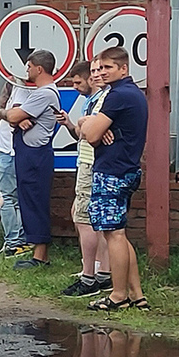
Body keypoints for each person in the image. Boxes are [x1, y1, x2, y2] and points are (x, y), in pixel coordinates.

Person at [80, 47, 150, 312]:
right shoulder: (133, 94)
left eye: (109, 67)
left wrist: (90, 123)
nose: (103, 72)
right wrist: (95, 125)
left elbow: (91, 135)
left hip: (112, 171)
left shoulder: (118, 95)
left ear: (124, 68)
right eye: (100, 67)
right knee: (119, 233)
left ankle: (118, 296)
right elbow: (95, 130)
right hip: (126, 169)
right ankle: (137, 294)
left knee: (114, 235)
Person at [56, 61, 112, 297]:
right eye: (97, 71)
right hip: (88, 160)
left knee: (86, 219)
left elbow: (91, 131)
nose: (98, 75)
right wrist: (74, 123)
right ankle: (100, 270)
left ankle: (92, 275)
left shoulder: (103, 98)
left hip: (91, 162)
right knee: (87, 216)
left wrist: (84, 124)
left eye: (102, 71)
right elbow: (83, 131)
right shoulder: (94, 100)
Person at [2, 49, 61, 270]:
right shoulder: (40, 94)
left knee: (35, 200)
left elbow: (13, 115)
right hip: (30, 153)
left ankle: (40, 256)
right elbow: (13, 114)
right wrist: (14, 116)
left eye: (28, 66)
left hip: (35, 154)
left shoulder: (44, 93)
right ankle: (37, 250)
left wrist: (14, 116)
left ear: (39, 68)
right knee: (28, 199)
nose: (26, 70)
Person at [0, 82, 30, 260]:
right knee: (17, 198)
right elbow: (4, 103)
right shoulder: (17, 86)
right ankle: (20, 240)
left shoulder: (22, 88)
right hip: (12, 150)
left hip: (10, 151)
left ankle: (14, 242)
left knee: (4, 198)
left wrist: (1, 113)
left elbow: (13, 115)